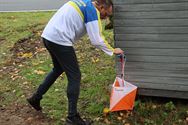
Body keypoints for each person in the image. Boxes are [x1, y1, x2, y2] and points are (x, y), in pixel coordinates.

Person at [27, 0, 124, 125]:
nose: (105, 17)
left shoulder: (84, 2)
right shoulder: (92, 11)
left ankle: (36, 98)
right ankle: (72, 117)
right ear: (101, 6)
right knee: (75, 76)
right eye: (106, 13)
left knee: (58, 69)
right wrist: (113, 50)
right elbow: (97, 40)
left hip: (48, 36)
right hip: (60, 40)